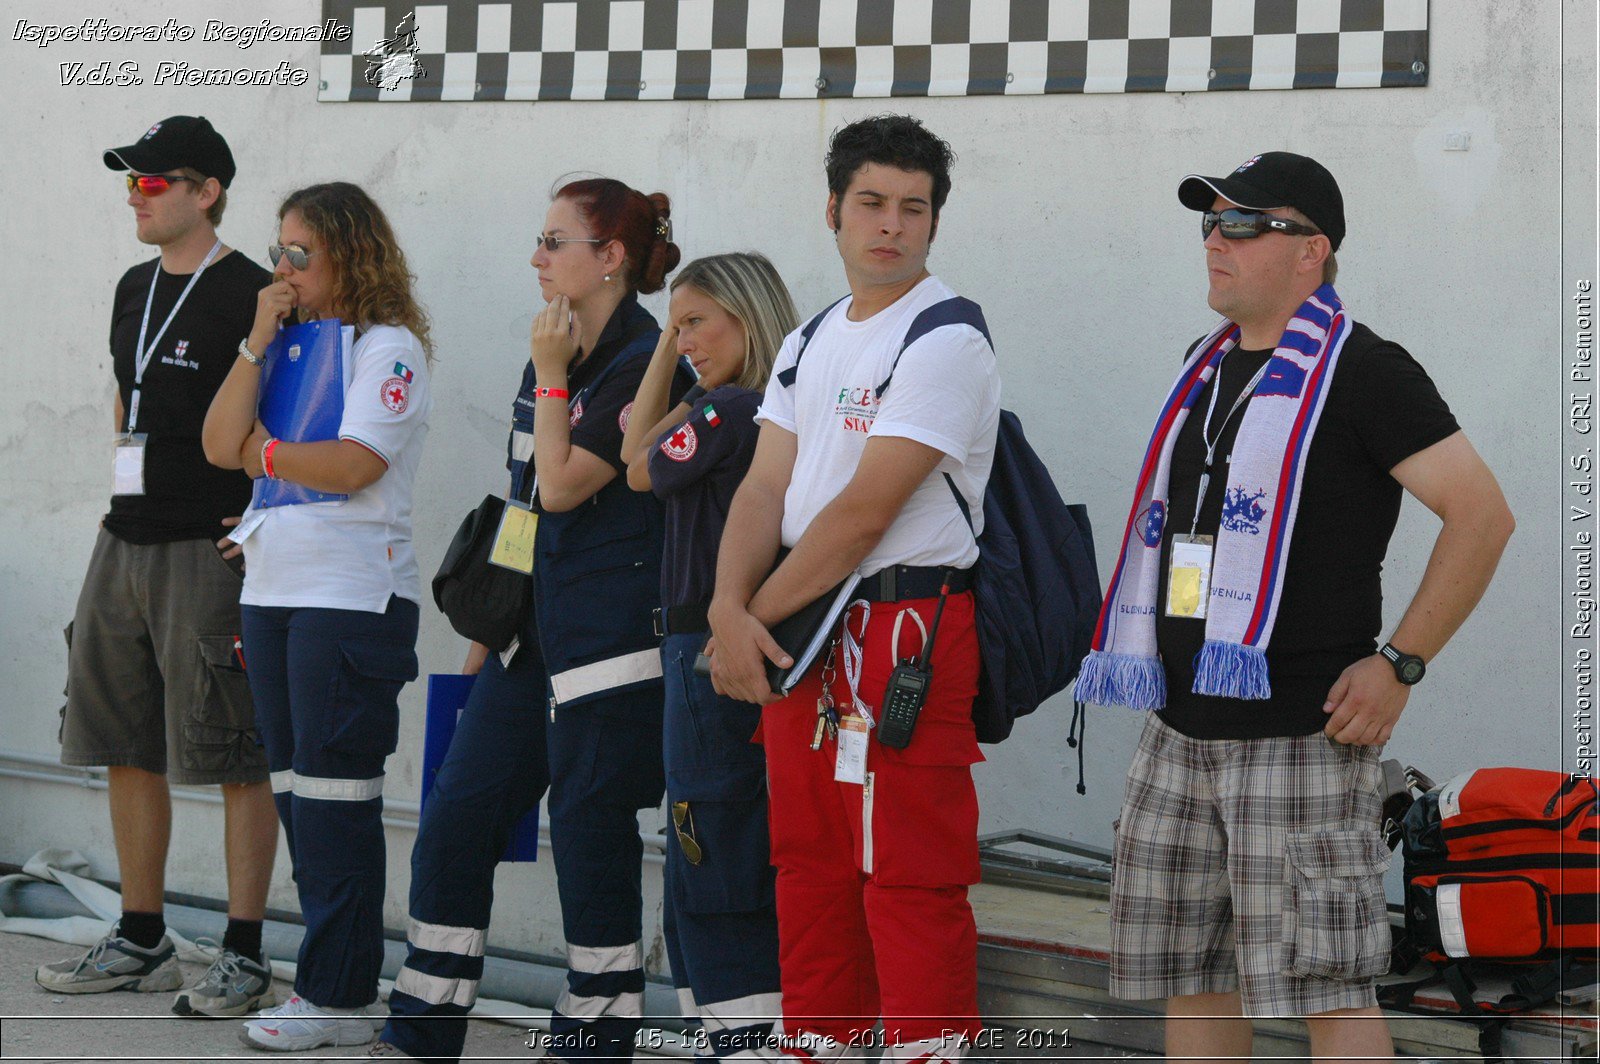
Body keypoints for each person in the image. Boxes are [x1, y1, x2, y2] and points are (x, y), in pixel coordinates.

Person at [1078, 152, 1515, 1062]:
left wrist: (1401, 664)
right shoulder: (1202, 369)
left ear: (1311, 249)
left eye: (1243, 223)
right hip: (1177, 729)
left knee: (1330, 994)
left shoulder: (1364, 371)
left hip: (1301, 736)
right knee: (1191, 986)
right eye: (1209, 221)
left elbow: (1483, 515)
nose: (1215, 239)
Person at [373, 177, 688, 1063]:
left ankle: (593, 1039)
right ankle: (422, 1028)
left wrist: (553, 378)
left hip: (609, 652)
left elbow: (564, 485)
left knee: (590, 840)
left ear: (610, 258)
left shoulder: (649, 360)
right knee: (459, 819)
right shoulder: (549, 352)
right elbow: (524, 507)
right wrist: (486, 631)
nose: (538, 257)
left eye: (556, 241)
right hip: (527, 645)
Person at [707, 115, 1000, 1063]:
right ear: (833, 210)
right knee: (811, 868)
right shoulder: (808, 339)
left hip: (906, 627)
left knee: (909, 878)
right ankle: (819, 1048)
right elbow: (764, 486)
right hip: (804, 628)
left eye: (913, 208)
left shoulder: (947, 336)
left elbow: (865, 515)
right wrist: (723, 608)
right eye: (871, 203)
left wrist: (753, 618)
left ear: (933, 224)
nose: (892, 225)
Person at [37, 115, 280, 1019]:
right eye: (129, 184)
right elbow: (127, 393)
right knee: (120, 738)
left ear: (205, 190)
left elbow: (285, 415)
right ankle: (143, 936)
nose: (135, 196)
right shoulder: (134, 287)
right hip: (124, 535)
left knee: (233, 749)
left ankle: (246, 952)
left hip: (205, 548)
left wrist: (259, 525)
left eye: (151, 182)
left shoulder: (253, 292)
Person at [200, 181, 434, 1052]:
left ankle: (336, 994)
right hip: (273, 593)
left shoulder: (389, 346)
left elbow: (353, 464)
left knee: (338, 802)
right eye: (279, 249)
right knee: (301, 797)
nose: (284, 267)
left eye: (302, 252)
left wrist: (264, 455)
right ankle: (333, 984)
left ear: (350, 253)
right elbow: (218, 445)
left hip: (351, 598)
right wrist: (256, 340)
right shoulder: (288, 343)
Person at [619, 253, 800, 1059]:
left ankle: (740, 1033)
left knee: (709, 834)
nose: (683, 338)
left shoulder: (731, 409)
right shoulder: (754, 407)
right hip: (714, 640)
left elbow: (635, 468)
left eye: (696, 321)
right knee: (711, 834)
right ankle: (724, 1026)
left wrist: (672, 366)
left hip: (705, 643)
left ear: (747, 318)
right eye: (676, 324)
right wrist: (680, 355)